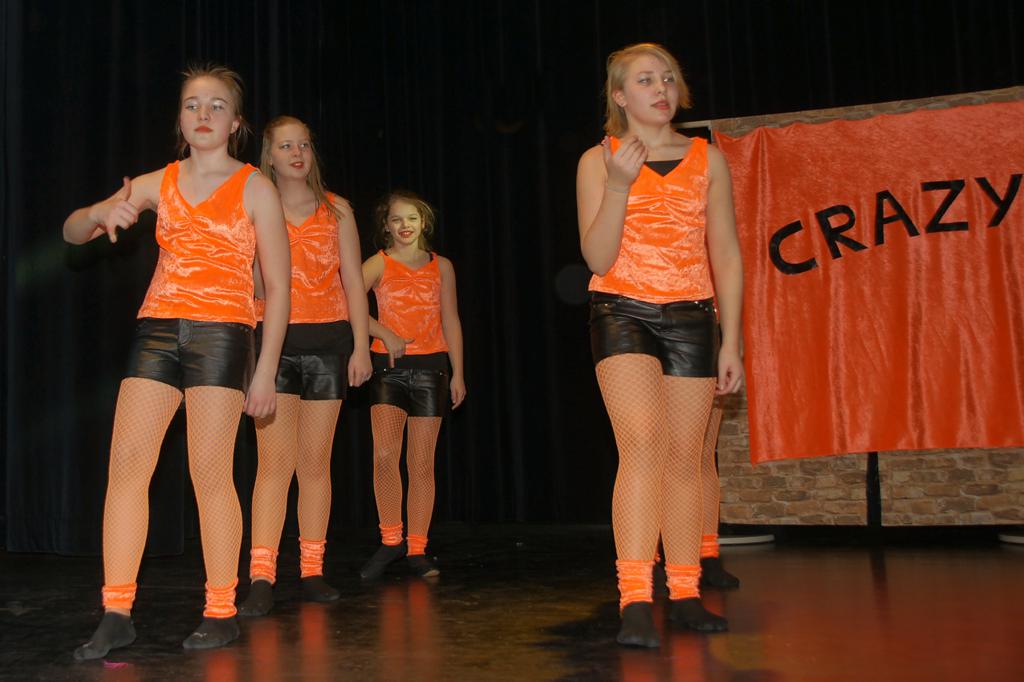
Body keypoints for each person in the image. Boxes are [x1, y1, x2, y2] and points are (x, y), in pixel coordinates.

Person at [64, 65, 290, 657]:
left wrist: (265, 370)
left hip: (222, 335)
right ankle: (117, 611)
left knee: (209, 473)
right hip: (157, 332)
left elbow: (278, 289)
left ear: (235, 123)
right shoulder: (156, 181)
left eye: (217, 106)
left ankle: (220, 608)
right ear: (180, 119)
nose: (203, 114)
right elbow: (72, 231)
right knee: (127, 468)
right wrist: (100, 214)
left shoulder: (255, 188)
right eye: (193, 104)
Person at [575, 43, 743, 648]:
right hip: (622, 311)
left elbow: (726, 252)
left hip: (693, 317)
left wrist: (732, 340)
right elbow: (597, 258)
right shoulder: (598, 160)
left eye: (668, 77)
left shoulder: (708, 158)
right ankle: (636, 600)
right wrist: (620, 185)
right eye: (645, 79)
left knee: (685, 456)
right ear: (620, 96)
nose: (661, 88)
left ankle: (687, 592)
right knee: (643, 445)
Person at [238, 116, 372, 616]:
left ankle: (312, 569)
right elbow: (252, 282)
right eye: (286, 146)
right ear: (269, 156)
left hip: (329, 343)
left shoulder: (338, 210)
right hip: (273, 343)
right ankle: (262, 576)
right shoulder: (257, 205)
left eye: (305, 145)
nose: (297, 153)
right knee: (274, 465)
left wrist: (361, 347)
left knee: (315, 464)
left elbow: (354, 281)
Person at [359, 191, 466, 580]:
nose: (405, 226)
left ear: (424, 223)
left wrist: (458, 373)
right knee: (386, 455)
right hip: (389, 369)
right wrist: (383, 332)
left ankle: (417, 548)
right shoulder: (378, 262)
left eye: (412, 219)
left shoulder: (442, 266)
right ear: (386, 226)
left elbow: (451, 318)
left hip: (432, 369)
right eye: (397, 219)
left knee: (421, 462)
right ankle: (391, 541)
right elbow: (346, 303)